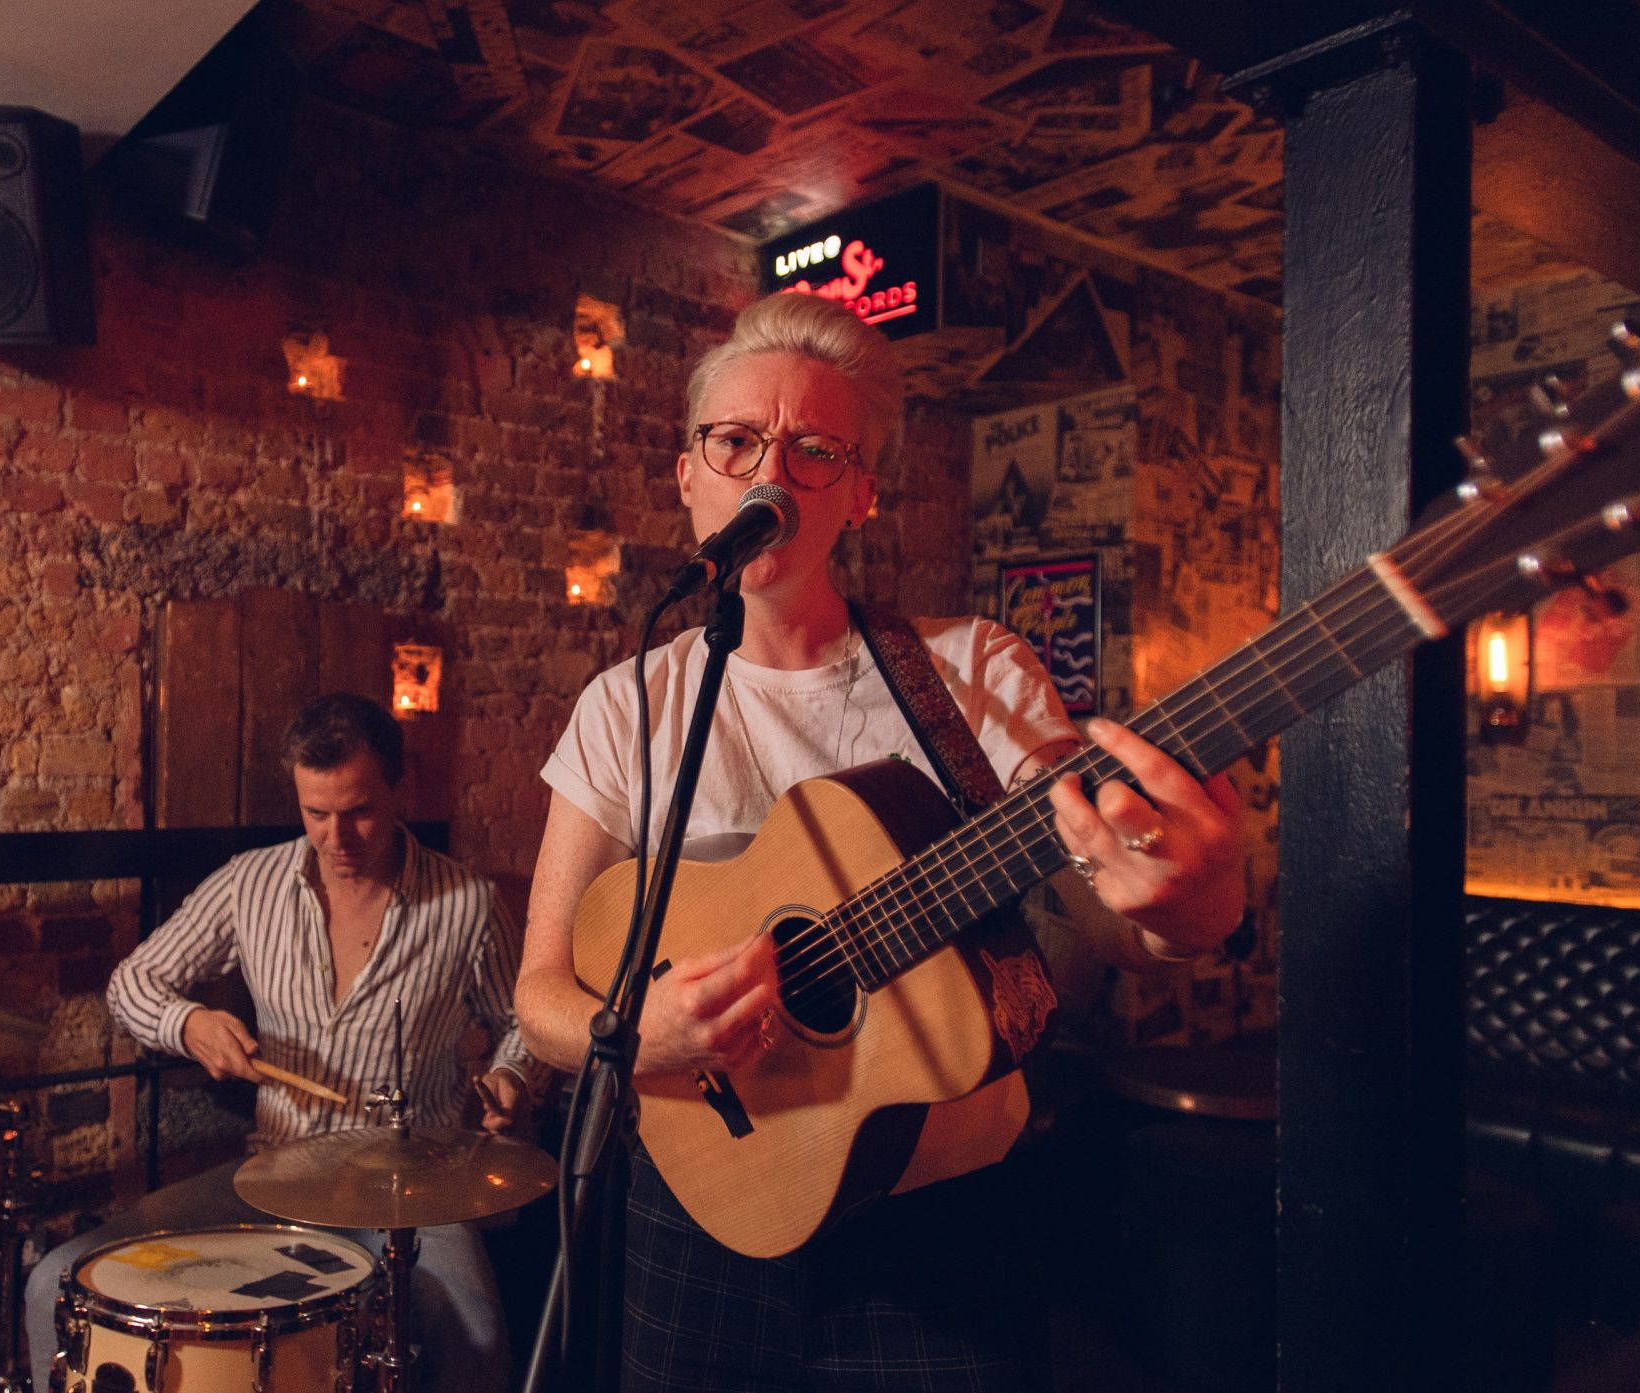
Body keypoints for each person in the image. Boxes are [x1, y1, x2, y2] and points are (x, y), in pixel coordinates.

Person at [514, 292, 1247, 1391]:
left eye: (813, 449)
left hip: (942, 1226)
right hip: (702, 1207)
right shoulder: (627, 706)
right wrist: (640, 1030)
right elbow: (537, 996)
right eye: (735, 441)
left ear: (858, 493)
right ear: (688, 477)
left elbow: (1102, 903)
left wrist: (1187, 912)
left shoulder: (972, 672)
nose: (770, 471)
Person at [24, 692, 536, 1393]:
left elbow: (524, 1022)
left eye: (357, 810)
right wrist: (190, 1022)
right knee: (55, 1278)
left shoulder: (467, 902)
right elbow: (132, 981)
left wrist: (512, 1076)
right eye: (315, 813)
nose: (336, 836)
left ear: (399, 788)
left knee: (474, 1333)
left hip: (410, 1193)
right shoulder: (250, 883)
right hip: (272, 1178)